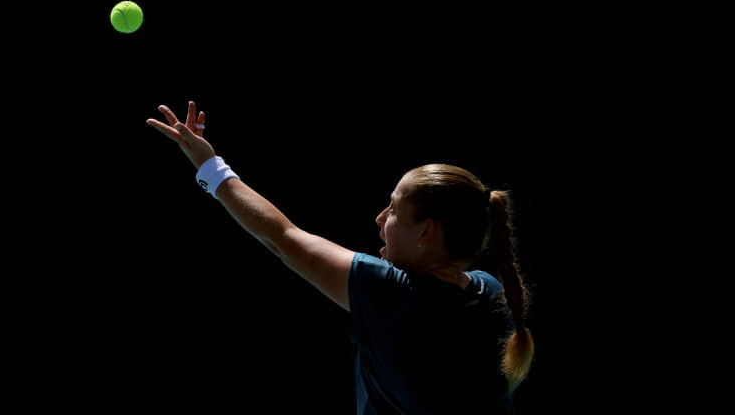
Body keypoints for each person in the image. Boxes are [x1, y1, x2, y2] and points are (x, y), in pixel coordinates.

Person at [146, 101, 535, 414]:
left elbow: (282, 237)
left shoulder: (390, 294)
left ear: (426, 232)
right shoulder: (493, 293)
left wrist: (210, 166)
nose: (380, 217)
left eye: (394, 208)